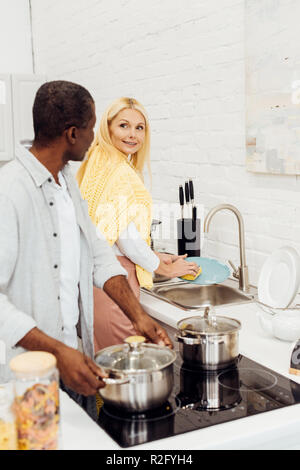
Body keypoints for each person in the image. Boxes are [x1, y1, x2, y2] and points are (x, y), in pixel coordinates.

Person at [0, 81, 172, 421]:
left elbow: (98, 256)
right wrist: (59, 352)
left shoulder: (67, 184)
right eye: (93, 127)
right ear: (72, 133)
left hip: (77, 365)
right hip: (29, 378)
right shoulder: (10, 190)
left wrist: (139, 316)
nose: (96, 137)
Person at [77, 97, 199, 351]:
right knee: (125, 372)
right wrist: (163, 268)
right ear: (108, 127)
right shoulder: (120, 172)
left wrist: (154, 254)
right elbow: (126, 239)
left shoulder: (98, 162)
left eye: (139, 127)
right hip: (116, 281)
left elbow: (108, 232)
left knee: (110, 370)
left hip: (96, 282)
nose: (132, 135)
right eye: (124, 126)